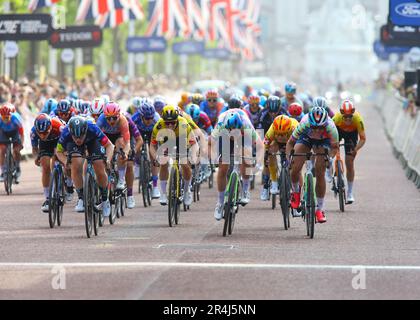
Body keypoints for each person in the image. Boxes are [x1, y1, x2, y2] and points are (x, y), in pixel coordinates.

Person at [286, 107, 339, 224]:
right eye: (314, 127)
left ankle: (320, 209)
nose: (316, 130)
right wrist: (289, 158)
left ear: (325, 124)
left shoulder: (331, 127)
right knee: (295, 168)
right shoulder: (304, 123)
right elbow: (290, 143)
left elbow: (335, 148)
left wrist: (329, 158)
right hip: (306, 138)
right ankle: (295, 192)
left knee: (320, 171)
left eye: (320, 128)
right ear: (310, 124)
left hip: (324, 142)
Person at [210, 109, 263, 221]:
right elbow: (211, 143)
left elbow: (260, 146)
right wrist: (214, 157)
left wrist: (258, 163)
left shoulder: (247, 126)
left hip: (244, 136)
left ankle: (245, 189)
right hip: (224, 138)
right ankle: (220, 203)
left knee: (246, 156)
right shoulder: (220, 126)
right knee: (223, 167)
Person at [56, 116, 114, 215]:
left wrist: (108, 159)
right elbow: (58, 151)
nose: (78, 139)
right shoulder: (66, 132)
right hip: (73, 146)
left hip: (93, 142)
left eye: (81, 136)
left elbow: (109, 145)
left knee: (99, 165)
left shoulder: (93, 128)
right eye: (75, 136)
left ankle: (105, 199)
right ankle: (81, 198)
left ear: (85, 131)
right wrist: (65, 160)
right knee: (75, 163)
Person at [149, 105, 197, 207]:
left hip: (182, 139)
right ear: (163, 121)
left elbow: (194, 143)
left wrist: (193, 156)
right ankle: (163, 193)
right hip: (167, 141)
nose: (170, 125)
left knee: (184, 163)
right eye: (167, 123)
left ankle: (187, 189)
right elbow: (152, 146)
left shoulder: (183, 123)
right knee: (163, 162)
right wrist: (155, 158)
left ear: (177, 120)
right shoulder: (159, 125)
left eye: (172, 122)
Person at [332, 100, 366, 204]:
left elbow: (363, 138)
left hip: (351, 134)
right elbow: (328, 132)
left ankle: (350, 193)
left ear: (353, 114)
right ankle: (329, 164)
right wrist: (332, 144)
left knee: (349, 162)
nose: (347, 119)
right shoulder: (336, 118)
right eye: (345, 117)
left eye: (350, 116)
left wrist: (355, 149)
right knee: (331, 148)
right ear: (341, 114)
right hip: (338, 131)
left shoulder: (358, 119)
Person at [31, 114, 65, 212]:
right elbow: (34, 148)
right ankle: (47, 198)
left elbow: (66, 143)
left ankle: (68, 182)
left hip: (59, 141)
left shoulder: (59, 127)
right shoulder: (33, 131)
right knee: (45, 166)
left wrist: (63, 155)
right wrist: (37, 157)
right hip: (45, 145)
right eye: (40, 133)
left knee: (58, 157)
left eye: (45, 133)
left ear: (50, 127)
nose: (42, 135)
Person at [261, 115, 299, 201]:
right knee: (269, 153)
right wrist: (266, 158)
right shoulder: (271, 131)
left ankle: (294, 188)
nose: (280, 137)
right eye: (278, 134)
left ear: (289, 130)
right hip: (276, 143)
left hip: (291, 142)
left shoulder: (295, 128)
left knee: (295, 162)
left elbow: (299, 146)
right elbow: (266, 146)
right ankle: (271, 183)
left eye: (282, 135)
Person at [96, 102, 131, 191]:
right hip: (106, 136)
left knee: (121, 149)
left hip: (118, 136)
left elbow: (127, 142)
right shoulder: (101, 119)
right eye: (108, 118)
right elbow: (95, 137)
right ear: (105, 116)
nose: (111, 121)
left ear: (119, 115)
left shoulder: (123, 121)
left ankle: (121, 180)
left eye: (114, 118)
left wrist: (125, 154)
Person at [131, 101, 161, 199]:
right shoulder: (135, 118)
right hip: (139, 133)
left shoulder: (157, 119)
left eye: (151, 118)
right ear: (141, 116)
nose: (149, 120)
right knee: (137, 147)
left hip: (153, 134)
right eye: (147, 118)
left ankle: (155, 186)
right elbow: (129, 132)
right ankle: (138, 164)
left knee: (154, 157)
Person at [0, 103, 24, 183]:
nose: (5, 119)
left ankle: (17, 166)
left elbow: (21, 133)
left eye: (7, 117)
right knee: (2, 150)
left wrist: (21, 144)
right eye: (3, 117)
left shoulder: (16, 118)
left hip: (15, 133)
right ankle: (3, 171)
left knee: (16, 150)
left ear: (11, 115)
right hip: (3, 133)